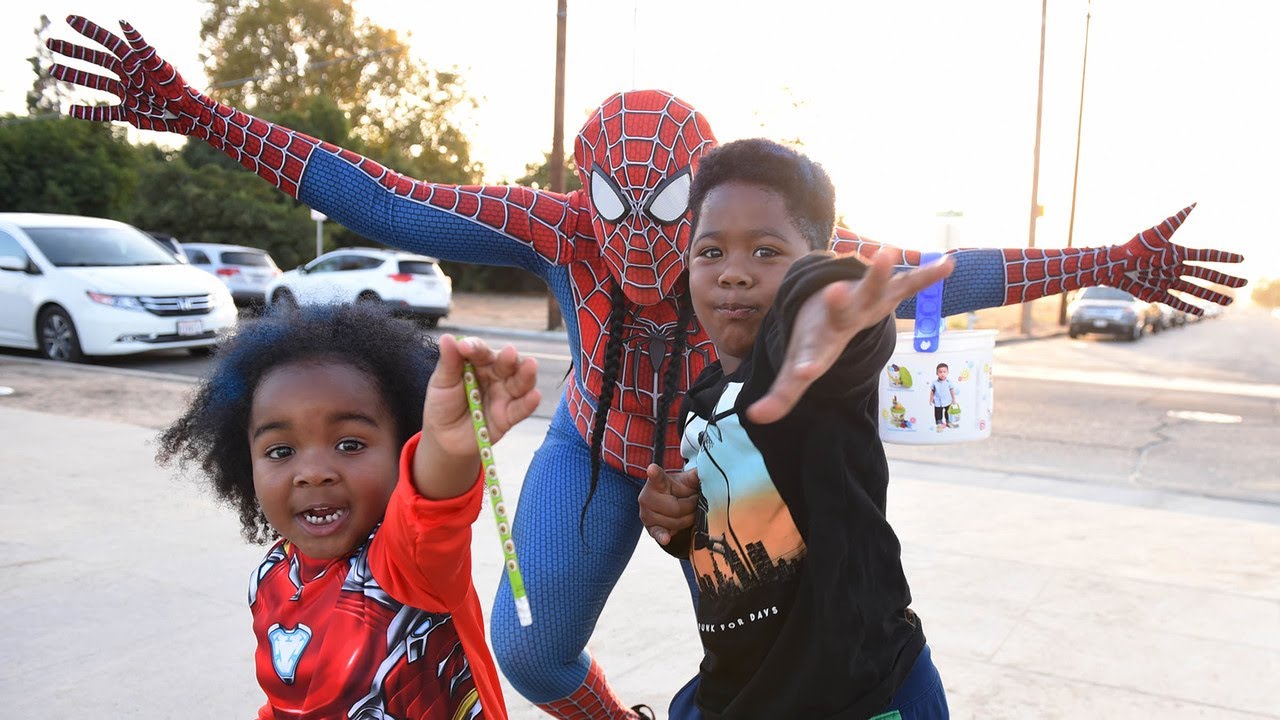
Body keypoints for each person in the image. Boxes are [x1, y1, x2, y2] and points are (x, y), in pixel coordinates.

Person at [50, 16, 1248, 717]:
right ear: (584, 190)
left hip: (713, 468)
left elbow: (946, 267)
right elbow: (390, 196)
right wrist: (198, 109)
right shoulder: (556, 225)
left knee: (765, 644)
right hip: (591, 442)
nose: (662, 253)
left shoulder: (769, 247)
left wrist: (1109, 260)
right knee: (527, 650)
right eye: (619, 210)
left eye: (682, 222)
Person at [639, 138, 956, 718]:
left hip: (858, 696)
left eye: (766, 251)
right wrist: (678, 519)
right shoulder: (704, 396)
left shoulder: (818, 381)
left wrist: (822, 308)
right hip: (739, 691)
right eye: (710, 252)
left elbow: (845, 325)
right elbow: (735, 528)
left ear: (813, 256)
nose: (734, 274)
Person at [157, 303, 542, 720]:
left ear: (403, 449)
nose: (313, 473)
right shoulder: (270, 578)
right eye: (280, 451)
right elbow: (286, 699)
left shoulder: (408, 566)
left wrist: (446, 444)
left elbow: (431, 510)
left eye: (350, 444)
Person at [929, 363, 957, 431]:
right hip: (938, 401)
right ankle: (939, 424)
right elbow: (932, 391)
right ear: (937, 373)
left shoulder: (949, 382)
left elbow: (952, 390)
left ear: (947, 372)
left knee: (948, 412)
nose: (942, 374)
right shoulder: (934, 383)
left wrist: (954, 399)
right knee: (938, 413)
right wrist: (931, 399)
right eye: (940, 372)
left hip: (947, 401)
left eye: (944, 372)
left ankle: (948, 422)